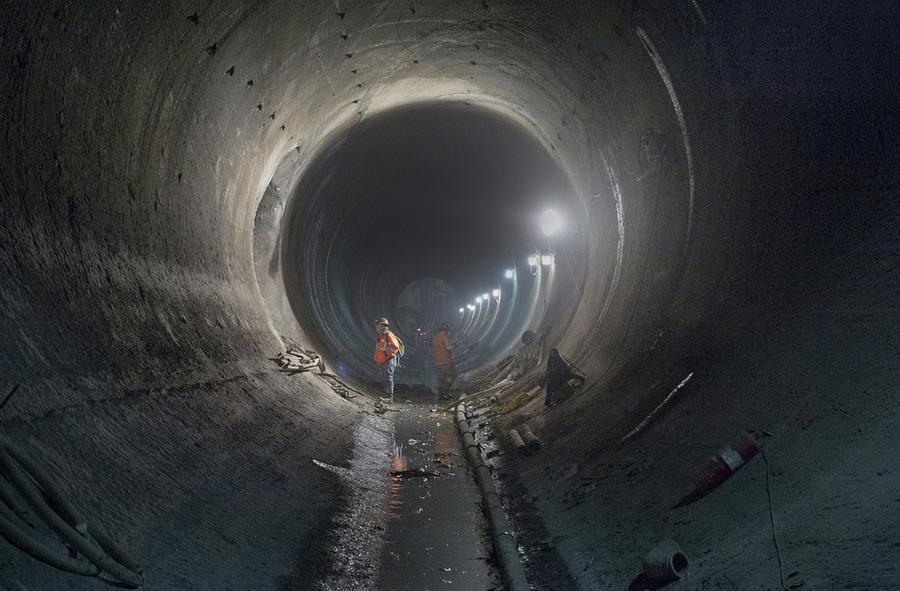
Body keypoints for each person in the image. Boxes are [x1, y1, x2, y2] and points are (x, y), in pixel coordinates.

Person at [373, 318, 401, 398]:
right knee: (384, 377)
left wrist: (387, 355)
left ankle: (389, 396)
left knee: (388, 376)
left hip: (389, 360)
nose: (376, 328)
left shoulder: (388, 335)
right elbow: (379, 350)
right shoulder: (381, 337)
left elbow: (395, 347)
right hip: (383, 361)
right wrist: (379, 361)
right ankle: (386, 394)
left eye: (378, 326)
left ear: (382, 326)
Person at [432, 323, 457, 399]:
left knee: (441, 378)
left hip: (437, 361)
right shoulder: (444, 337)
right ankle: (445, 391)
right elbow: (448, 348)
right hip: (446, 361)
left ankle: (441, 395)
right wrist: (454, 346)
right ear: (445, 330)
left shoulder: (435, 338)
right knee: (452, 375)